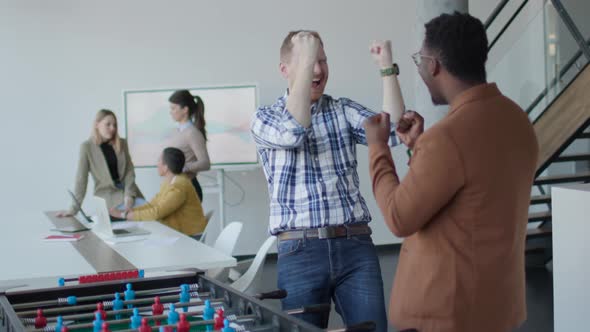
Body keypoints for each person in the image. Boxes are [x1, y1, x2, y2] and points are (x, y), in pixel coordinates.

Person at [365, 12, 539, 332]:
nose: (419, 69)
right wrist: (419, 146)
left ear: (433, 64)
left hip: (445, 314)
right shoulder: (518, 120)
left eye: (419, 60)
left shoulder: (447, 137)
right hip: (499, 307)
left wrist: (378, 148)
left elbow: (398, 216)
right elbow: (471, 191)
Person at [250, 30, 405, 331]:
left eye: (322, 60)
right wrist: (307, 61)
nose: (318, 69)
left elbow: (395, 131)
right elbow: (293, 131)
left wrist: (387, 68)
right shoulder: (265, 118)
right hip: (299, 251)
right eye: (309, 61)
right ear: (285, 71)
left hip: (355, 245)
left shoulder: (342, 109)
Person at [57, 109, 144, 217]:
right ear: (97, 124)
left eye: (114, 125)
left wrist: (129, 196)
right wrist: (73, 209)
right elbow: (81, 180)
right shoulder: (87, 147)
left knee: (150, 216)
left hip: (130, 194)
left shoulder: (122, 143)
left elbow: (129, 172)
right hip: (108, 199)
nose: (112, 128)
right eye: (108, 124)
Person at [110, 147, 206, 236]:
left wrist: (123, 215)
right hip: (177, 232)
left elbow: (157, 213)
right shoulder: (169, 182)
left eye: (159, 160)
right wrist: (129, 211)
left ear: (166, 167)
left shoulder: (179, 187)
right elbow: (153, 205)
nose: (157, 164)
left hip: (190, 236)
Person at [167, 90, 211, 202]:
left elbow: (205, 163)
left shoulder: (192, 133)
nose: (170, 112)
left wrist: (183, 168)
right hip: (177, 187)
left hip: (188, 188)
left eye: (173, 108)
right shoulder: (176, 131)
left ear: (185, 110)